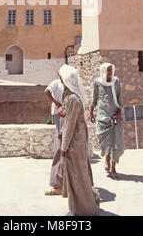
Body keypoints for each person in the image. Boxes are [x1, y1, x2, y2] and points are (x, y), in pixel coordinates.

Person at [58, 64, 99, 216]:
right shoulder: (68, 95)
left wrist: (63, 147)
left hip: (75, 141)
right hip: (74, 139)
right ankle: (75, 207)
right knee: (74, 173)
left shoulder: (73, 99)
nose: (59, 78)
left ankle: (86, 209)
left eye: (61, 76)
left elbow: (70, 124)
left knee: (78, 174)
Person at [90, 62, 124, 179]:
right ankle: (107, 158)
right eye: (108, 70)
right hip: (102, 117)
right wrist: (91, 112)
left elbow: (119, 98)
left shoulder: (116, 82)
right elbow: (94, 98)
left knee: (116, 142)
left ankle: (113, 168)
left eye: (111, 70)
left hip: (115, 117)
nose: (110, 73)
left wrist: (119, 113)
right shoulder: (97, 82)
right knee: (105, 142)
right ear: (103, 71)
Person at [45, 75, 64, 141]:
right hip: (57, 112)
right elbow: (47, 92)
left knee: (65, 133)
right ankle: (59, 149)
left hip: (66, 112)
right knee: (59, 132)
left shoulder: (67, 83)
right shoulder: (56, 83)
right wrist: (57, 103)